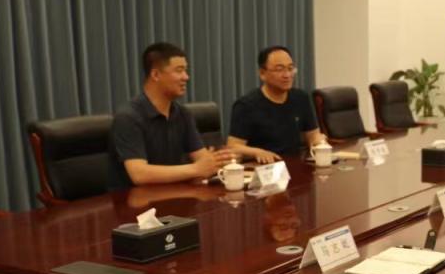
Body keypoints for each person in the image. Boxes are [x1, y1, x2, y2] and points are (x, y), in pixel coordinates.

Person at [108, 42, 234, 190]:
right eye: (179, 71)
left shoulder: (182, 114)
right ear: (155, 75)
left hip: (174, 193)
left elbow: (201, 158)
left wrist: (217, 161)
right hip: (135, 200)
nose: (186, 77)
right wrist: (196, 169)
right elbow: (139, 174)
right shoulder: (128, 117)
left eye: (186, 70)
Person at [227, 46, 325, 163]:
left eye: (290, 68)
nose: (287, 75)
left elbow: (313, 135)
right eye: (279, 69)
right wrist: (257, 152)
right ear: (262, 73)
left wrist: (319, 143)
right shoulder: (246, 105)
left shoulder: (301, 98)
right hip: (264, 168)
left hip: (295, 165)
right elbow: (233, 147)